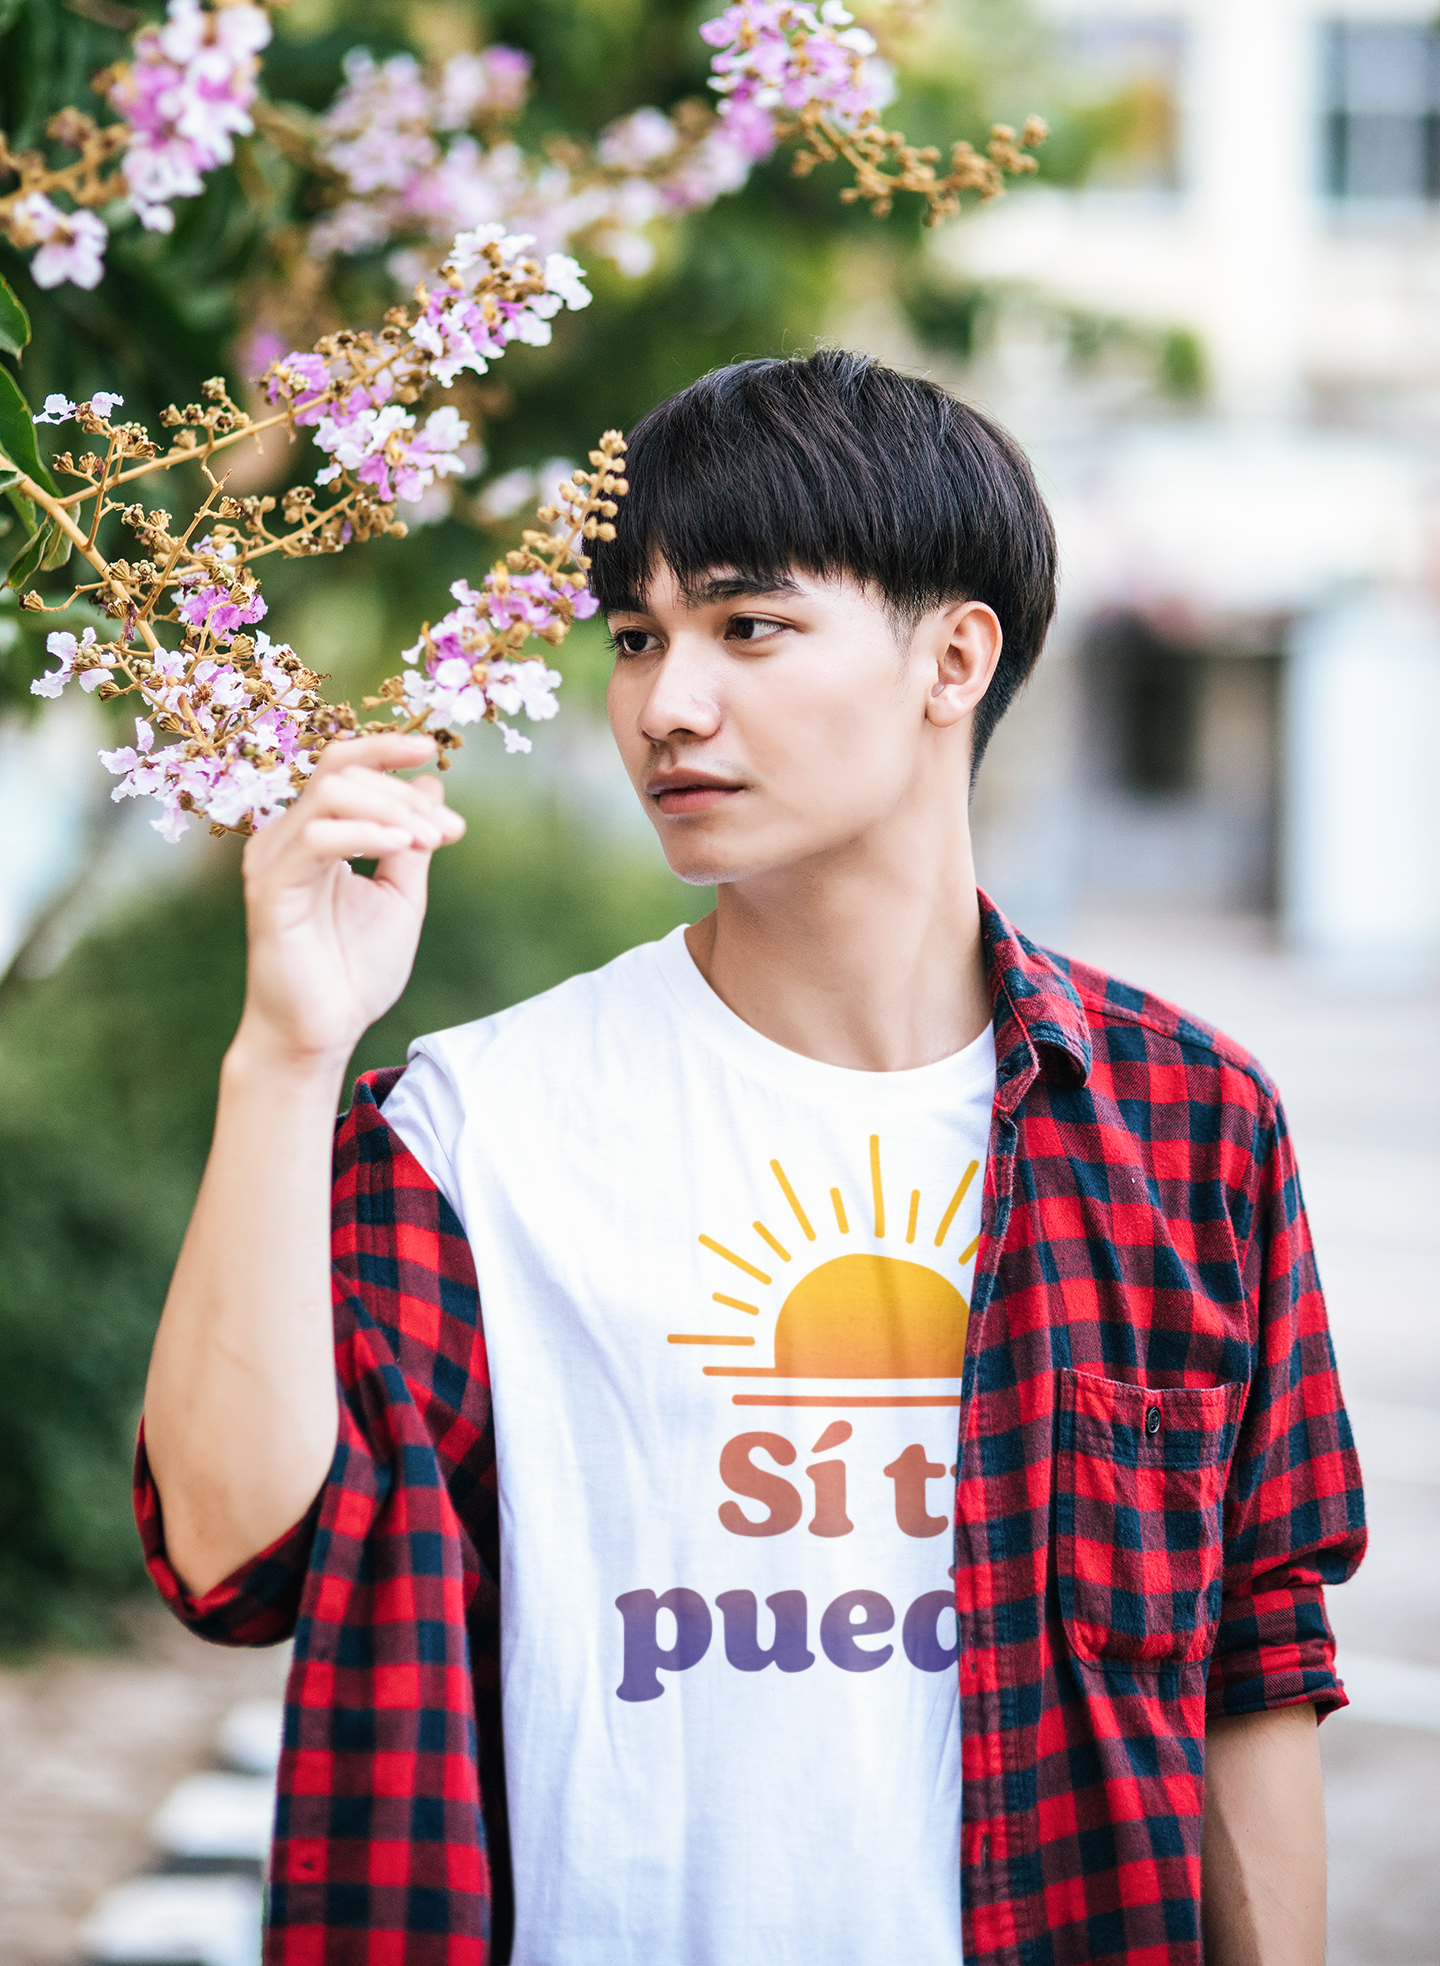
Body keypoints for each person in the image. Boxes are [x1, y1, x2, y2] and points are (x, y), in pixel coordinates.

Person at [137, 350, 1365, 1966]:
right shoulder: (475, 1128)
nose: (667, 702)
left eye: (748, 625)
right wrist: (289, 1051)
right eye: (636, 637)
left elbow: (1251, 1658)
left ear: (954, 656)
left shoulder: (1185, 1122)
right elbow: (234, 1558)